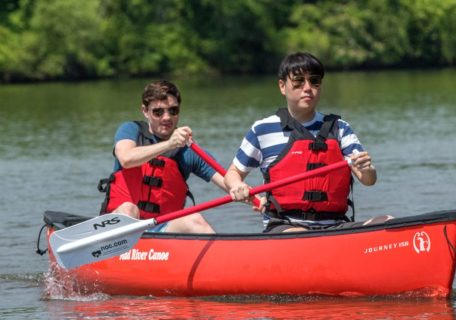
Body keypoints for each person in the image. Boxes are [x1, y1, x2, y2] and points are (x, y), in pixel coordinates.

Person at [225, 52, 391, 233]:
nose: (307, 88)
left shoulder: (340, 128)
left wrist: (367, 169)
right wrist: (237, 185)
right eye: (298, 81)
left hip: (336, 227)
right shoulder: (262, 130)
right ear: (282, 86)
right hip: (286, 227)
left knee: (388, 222)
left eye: (314, 81)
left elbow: (369, 180)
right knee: (301, 235)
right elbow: (232, 173)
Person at [98, 80, 227, 233]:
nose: (167, 117)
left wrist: (257, 199)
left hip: (161, 232)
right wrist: (169, 144)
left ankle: (222, 255)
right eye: (158, 112)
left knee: (195, 219)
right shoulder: (131, 130)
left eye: (173, 111)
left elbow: (229, 182)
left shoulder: (188, 151)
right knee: (129, 209)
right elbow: (126, 159)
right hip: (120, 230)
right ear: (145, 111)